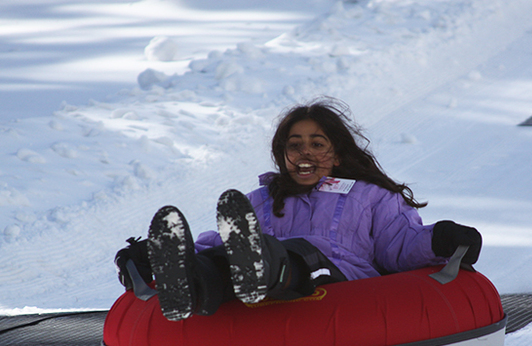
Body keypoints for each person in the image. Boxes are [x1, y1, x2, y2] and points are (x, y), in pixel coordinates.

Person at [115, 98, 482, 321]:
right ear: (283, 155)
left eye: (317, 144)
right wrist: (156, 255)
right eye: (295, 145)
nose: (305, 152)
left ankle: (260, 262)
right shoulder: (261, 200)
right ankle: (193, 281)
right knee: (222, 257)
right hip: (264, 286)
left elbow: (400, 244)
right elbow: (219, 239)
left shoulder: (369, 196)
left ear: (336, 154)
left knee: (301, 253)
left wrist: (441, 239)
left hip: (337, 279)